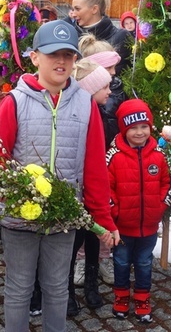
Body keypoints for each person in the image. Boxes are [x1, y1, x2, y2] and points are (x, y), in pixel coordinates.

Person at [0, 19, 120, 332]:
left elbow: (94, 170)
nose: (61, 61)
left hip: (65, 217)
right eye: (52, 54)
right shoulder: (15, 102)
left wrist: (103, 219)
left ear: (76, 59)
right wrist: (0, 190)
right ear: (35, 57)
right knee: (19, 288)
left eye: (68, 55)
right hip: (21, 217)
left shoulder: (86, 105)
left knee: (58, 287)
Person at [108, 99, 171, 323]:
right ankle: (121, 297)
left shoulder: (159, 155)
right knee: (121, 262)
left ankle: (143, 299)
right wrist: (115, 213)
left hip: (148, 227)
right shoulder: (114, 157)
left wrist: (159, 207)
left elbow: (169, 183)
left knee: (145, 263)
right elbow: (107, 188)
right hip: (123, 228)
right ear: (124, 129)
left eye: (143, 126)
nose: (139, 132)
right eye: (133, 128)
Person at [67, 59, 113, 312]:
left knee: (94, 238)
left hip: (95, 187)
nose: (109, 92)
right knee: (74, 241)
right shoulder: (78, 113)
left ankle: (92, 284)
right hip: (76, 187)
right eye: (104, 87)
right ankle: (68, 291)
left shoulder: (104, 115)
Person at [70, 0, 133, 73]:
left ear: (94, 9)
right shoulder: (71, 37)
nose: (73, 14)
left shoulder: (121, 37)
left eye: (77, 9)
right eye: (73, 9)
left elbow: (128, 76)